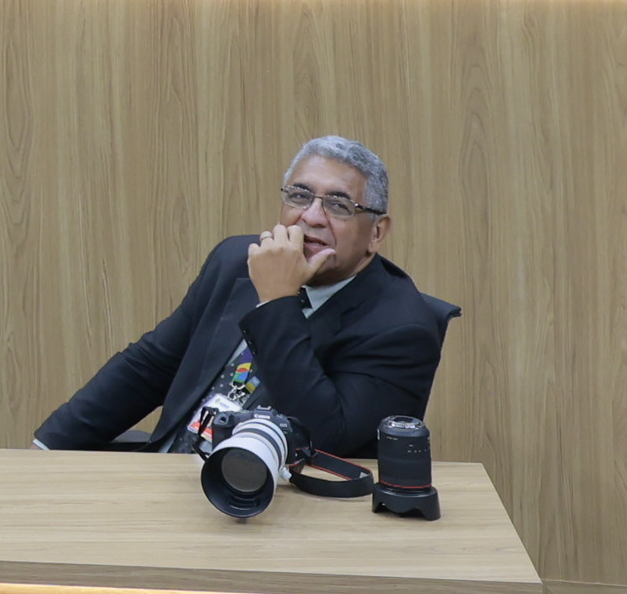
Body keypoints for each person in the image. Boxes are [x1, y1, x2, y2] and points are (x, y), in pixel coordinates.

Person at [33, 137, 447, 463]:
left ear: (376, 232)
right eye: (299, 196)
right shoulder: (237, 260)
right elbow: (151, 366)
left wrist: (277, 301)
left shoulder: (402, 328)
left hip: (276, 506)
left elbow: (325, 438)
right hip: (171, 473)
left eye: (338, 205)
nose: (311, 217)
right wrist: (46, 448)